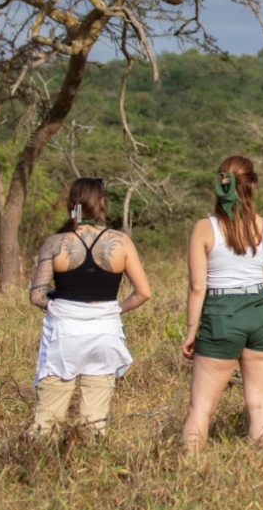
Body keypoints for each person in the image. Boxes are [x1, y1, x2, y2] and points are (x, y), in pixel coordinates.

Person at [28, 177, 152, 436]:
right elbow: (143, 293)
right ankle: (91, 463)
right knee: (94, 421)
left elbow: (37, 296)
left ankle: (37, 466)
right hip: (105, 333)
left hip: (63, 336)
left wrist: (58, 302)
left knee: (47, 418)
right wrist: (113, 309)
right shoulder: (121, 242)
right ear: (102, 203)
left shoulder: (55, 243)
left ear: (72, 205)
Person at [181, 156, 263, 451]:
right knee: (260, 404)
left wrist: (192, 330)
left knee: (201, 408)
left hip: (221, 314)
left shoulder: (204, 228)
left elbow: (197, 286)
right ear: (252, 185)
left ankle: (189, 471)